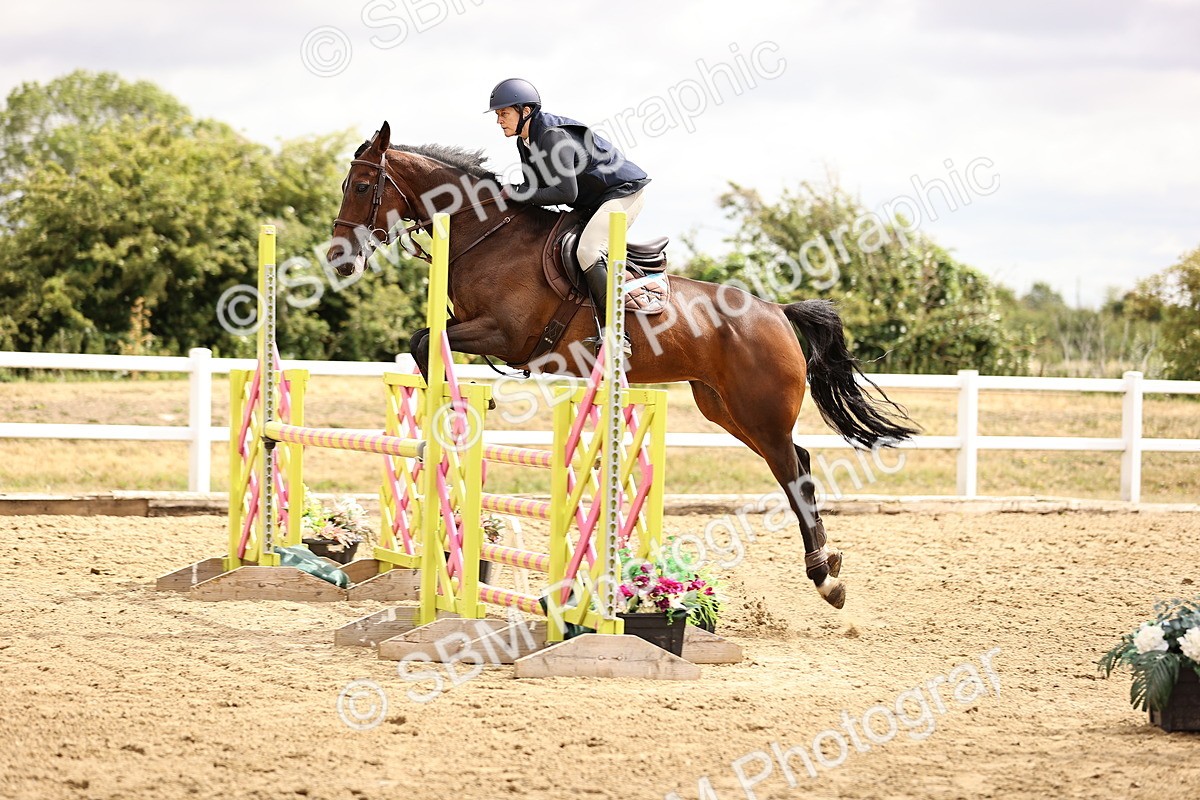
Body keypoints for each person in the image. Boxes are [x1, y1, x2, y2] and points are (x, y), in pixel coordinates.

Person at [487, 78, 649, 356]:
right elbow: (533, 189)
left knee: (588, 251)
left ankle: (619, 332)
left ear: (526, 111)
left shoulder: (553, 136)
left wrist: (515, 192)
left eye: (504, 113)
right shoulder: (525, 143)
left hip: (622, 194)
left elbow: (565, 192)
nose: (499, 121)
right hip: (592, 201)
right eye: (498, 115)